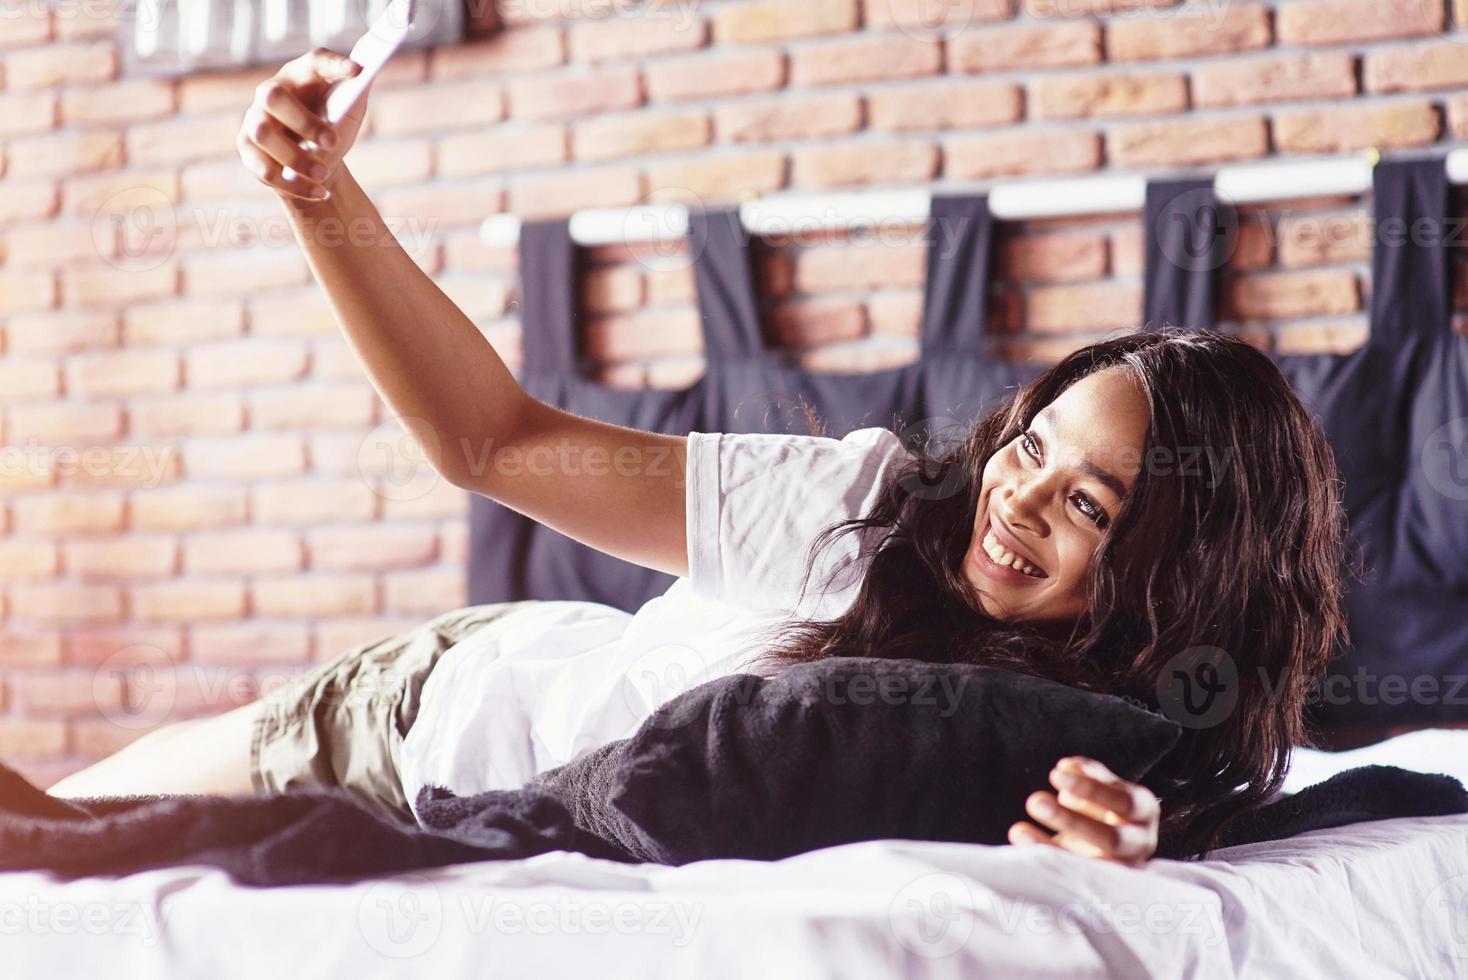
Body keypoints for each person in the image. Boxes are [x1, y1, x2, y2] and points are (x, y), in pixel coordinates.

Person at [48, 50, 1350, 866]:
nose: (1017, 499)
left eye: (1088, 503)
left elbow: (1162, 797)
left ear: (1180, 577)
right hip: (417, 714)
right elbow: (491, 441)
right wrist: (320, 194)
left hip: (476, 775)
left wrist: (1136, 838)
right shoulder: (863, 505)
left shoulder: (1100, 725)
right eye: (1035, 445)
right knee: (41, 834)